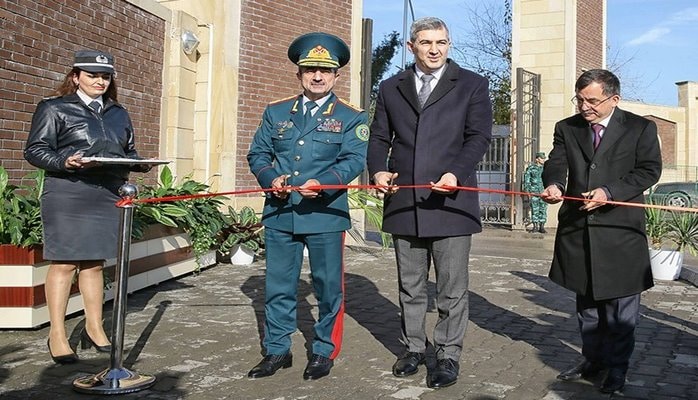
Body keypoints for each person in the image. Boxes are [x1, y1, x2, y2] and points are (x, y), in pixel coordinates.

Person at [367, 17, 492, 389]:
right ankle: (414, 348)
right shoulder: (391, 88)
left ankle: (448, 354)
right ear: (412, 47)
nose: (435, 49)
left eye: (441, 42)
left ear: (449, 45)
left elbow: (479, 136)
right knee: (410, 285)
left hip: (451, 203)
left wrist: (456, 172)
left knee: (452, 287)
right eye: (426, 42)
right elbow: (378, 138)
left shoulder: (471, 84)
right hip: (405, 202)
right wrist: (378, 171)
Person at [246, 32, 369, 381]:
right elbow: (258, 153)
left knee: (328, 287)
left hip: (325, 214)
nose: (317, 76)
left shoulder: (351, 116)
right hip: (281, 212)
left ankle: (323, 351)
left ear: (336, 75)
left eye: (325, 70)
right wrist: (271, 178)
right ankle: (276, 349)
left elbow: (353, 159)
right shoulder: (276, 111)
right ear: (298, 73)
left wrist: (325, 182)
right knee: (278, 286)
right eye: (310, 69)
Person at [24, 50, 152, 364]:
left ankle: (94, 327)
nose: (99, 81)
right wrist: (63, 161)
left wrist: (141, 163)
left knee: (94, 263)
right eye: (92, 74)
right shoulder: (54, 108)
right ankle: (57, 333)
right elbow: (35, 149)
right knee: (65, 263)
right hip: (69, 191)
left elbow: (128, 150)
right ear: (76, 76)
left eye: (105, 76)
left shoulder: (118, 112)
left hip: (106, 193)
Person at [540, 69, 662, 394]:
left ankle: (618, 370)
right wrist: (553, 184)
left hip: (620, 233)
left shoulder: (641, 128)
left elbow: (649, 170)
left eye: (592, 101)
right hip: (579, 233)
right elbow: (556, 162)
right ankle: (592, 360)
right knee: (588, 309)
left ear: (614, 99)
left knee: (621, 314)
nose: (584, 107)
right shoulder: (567, 128)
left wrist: (610, 192)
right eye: (579, 99)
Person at [523, 152, 548, 233]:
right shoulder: (531, 168)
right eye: (541, 158)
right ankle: (535, 226)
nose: (543, 159)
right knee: (535, 209)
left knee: (543, 209)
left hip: (544, 191)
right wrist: (528, 191)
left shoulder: (546, 168)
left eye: (544, 158)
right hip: (534, 192)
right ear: (537, 159)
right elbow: (527, 180)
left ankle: (542, 226)